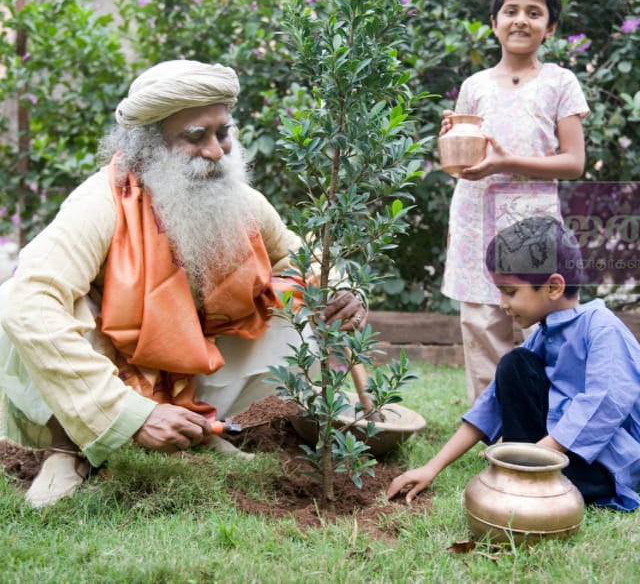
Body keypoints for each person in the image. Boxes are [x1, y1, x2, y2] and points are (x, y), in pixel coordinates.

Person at [0, 60, 366, 507]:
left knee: (306, 303)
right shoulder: (99, 202)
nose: (216, 151)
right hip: (110, 361)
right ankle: (67, 450)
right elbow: (27, 300)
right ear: (148, 147)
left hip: (185, 357)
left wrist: (345, 292)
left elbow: (303, 259)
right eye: (195, 136)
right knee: (40, 303)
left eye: (222, 133)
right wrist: (130, 415)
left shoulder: (239, 200)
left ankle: (198, 426)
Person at [388, 215, 640, 511]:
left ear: (553, 287)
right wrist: (432, 467)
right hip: (562, 457)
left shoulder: (602, 328)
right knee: (514, 365)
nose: (503, 304)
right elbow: (491, 403)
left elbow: (603, 405)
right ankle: (528, 474)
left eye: (510, 292)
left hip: (608, 467)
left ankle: (526, 473)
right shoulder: (545, 333)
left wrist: (534, 458)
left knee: (518, 368)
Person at [439, 0, 589, 404]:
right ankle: (492, 429)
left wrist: (506, 163)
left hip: (534, 226)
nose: (521, 20)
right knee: (483, 325)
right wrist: (453, 139)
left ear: (551, 26)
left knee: (543, 324)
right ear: (493, 22)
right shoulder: (475, 86)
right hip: (474, 220)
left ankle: (549, 426)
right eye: (510, 11)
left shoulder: (560, 82)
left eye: (534, 12)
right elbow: (462, 161)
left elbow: (574, 162)